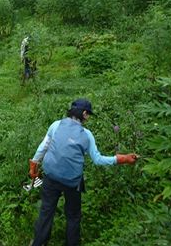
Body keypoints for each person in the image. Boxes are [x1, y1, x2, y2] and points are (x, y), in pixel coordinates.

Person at [29, 99, 138, 246]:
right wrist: (122, 159)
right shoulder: (86, 135)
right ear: (84, 114)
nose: (89, 118)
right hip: (72, 182)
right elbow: (98, 159)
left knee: (46, 211)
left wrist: (33, 166)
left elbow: (43, 147)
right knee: (73, 216)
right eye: (89, 115)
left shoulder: (56, 125)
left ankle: (39, 242)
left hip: (50, 176)